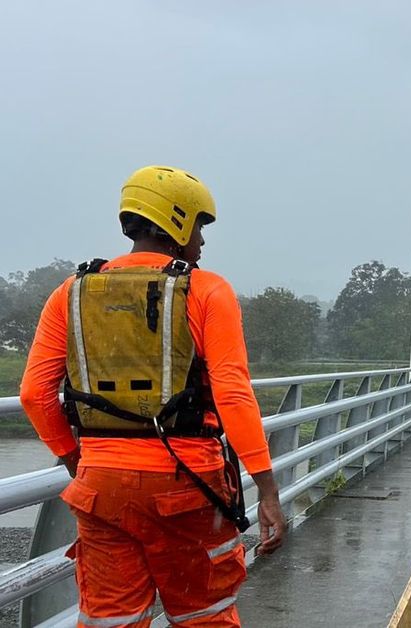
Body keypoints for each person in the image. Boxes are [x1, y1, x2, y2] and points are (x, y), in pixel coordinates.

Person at [20, 165, 286, 627]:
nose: (201, 241)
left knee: (110, 619)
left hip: (100, 486)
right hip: (187, 487)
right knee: (204, 615)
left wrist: (76, 460)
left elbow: (34, 394)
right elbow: (233, 394)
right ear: (177, 221)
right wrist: (267, 489)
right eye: (200, 226)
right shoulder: (205, 290)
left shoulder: (71, 291)